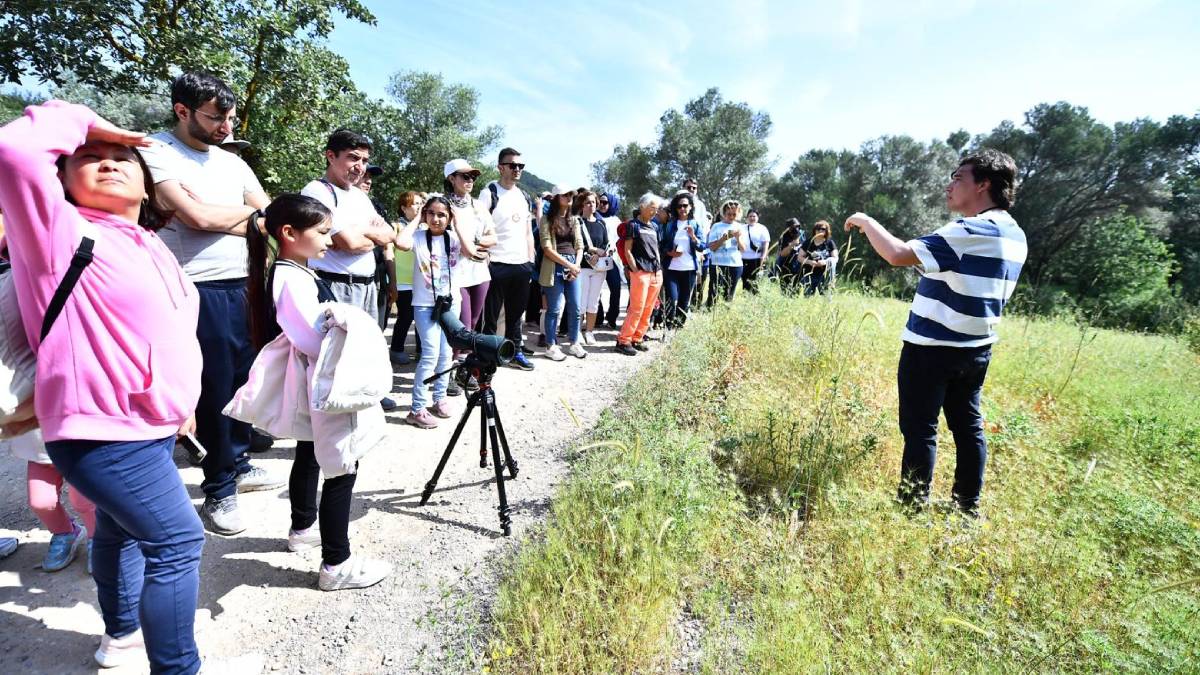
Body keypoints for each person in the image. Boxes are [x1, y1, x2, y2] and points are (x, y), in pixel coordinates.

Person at [1, 100, 206, 672]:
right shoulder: (60, 233)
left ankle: (121, 639)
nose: (108, 161)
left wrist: (180, 406)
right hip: (100, 431)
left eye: (122, 157)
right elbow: (14, 152)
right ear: (63, 179)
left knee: (120, 534)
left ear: (147, 185)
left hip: (149, 425)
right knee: (178, 543)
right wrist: (88, 122)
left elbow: (165, 334)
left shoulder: (146, 244)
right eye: (88, 157)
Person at [843, 149, 1026, 517]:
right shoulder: (1014, 232)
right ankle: (966, 508)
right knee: (968, 427)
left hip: (932, 348)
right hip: (976, 349)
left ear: (983, 184)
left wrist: (864, 220)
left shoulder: (970, 229)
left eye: (958, 178)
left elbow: (897, 255)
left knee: (920, 429)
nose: (950, 185)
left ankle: (911, 507)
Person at [138, 72, 282, 536]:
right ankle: (218, 489)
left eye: (232, 116)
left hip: (244, 282)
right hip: (195, 288)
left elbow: (273, 216)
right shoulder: (155, 151)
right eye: (217, 117)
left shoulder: (231, 163)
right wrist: (247, 217)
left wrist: (242, 218)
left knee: (244, 379)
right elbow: (195, 217)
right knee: (214, 387)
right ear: (182, 111)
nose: (227, 127)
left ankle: (237, 461)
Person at [244, 193, 392, 590]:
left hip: (315, 381)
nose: (330, 240)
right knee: (342, 466)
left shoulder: (294, 272)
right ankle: (336, 563)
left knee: (310, 454)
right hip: (323, 382)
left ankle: (303, 526)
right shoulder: (290, 277)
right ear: (289, 233)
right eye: (323, 232)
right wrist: (343, 319)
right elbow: (311, 339)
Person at [301, 129, 399, 412]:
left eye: (365, 160)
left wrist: (359, 234)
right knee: (335, 361)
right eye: (353, 158)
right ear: (331, 156)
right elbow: (350, 242)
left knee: (364, 353)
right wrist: (366, 234)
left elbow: (389, 234)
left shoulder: (359, 196)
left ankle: (360, 409)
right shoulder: (318, 192)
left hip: (367, 286)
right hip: (336, 286)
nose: (360, 167)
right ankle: (327, 426)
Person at [395, 195, 462, 429]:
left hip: (451, 303)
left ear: (450, 217)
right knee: (430, 355)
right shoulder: (418, 237)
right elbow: (400, 243)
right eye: (431, 213)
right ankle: (417, 408)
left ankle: (439, 398)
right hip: (424, 304)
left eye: (442, 214)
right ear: (425, 215)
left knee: (446, 354)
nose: (436, 219)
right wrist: (418, 218)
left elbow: (473, 250)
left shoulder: (454, 238)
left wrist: (457, 220)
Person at [479, 147, 538, 371]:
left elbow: (526, 231)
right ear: (500, 167)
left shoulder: (523, 196)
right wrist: (485, 259)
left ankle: (516, 352)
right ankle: (487, 358)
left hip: (521, 264)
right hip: (496, 263)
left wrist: (530, 260)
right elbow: (480, 229)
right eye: (512, 165)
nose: (517, 170)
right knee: (491, 317)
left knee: (516, 315)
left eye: (520, 166)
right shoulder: (489, 192)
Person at [5, 429, 96, 572]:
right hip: (40, 446)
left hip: (80, 442)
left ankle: (100, 538)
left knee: (84, 499)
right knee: (41, 502)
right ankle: (66, 532)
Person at [442, 159, 495, 346]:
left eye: (472, 176)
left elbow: (493, 238)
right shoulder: (442, 207)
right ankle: (451, 362)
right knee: (462, 325)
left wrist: (474, 243)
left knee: (473, 322)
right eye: (465, 176)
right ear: (451, 178)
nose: (470, 180)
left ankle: (464, 365)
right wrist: (472, 248)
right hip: (455, 273)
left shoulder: (479, 206)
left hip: (480, 271)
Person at [538, 187, 587, 360]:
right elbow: (547, 248)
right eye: (565, 195)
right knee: (554, 309)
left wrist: (576, 265)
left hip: (573, 265)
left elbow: (580, 245)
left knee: (575, 307)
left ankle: (574, 343)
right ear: (557, 198)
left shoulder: (574, 220)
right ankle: (551, 345)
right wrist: (569, 265)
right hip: (554, 266)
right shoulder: (547, 219)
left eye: (570, 195)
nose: (569, 197)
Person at [615, 193, 664, 355]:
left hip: (655, 271)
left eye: (657, 209)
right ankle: (623, 341)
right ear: (642, 207)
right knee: (636, 307)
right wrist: (634, 269)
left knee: (648, 308)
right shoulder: (633, 225)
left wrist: (659, 270)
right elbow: (627, 250)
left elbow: (656, 249)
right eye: (652, 208)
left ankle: (637, 337)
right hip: (641, 272)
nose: (655, 211)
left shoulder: (655, 226)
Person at [659, 192, 704, 328]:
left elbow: (702, 247)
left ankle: (679, 326)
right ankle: (668, 327)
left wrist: (693, 237)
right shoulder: (670, 225)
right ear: (675, 208)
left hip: (689, 268)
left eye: (685, 205)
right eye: (679, 206)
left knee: (684, 301)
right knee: (671, 299)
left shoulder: (695, 225)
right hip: (672, 268)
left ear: (690, 207)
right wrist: (670, 252)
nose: (682, 209)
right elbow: (662, 244)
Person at [358, 166, 395, 330]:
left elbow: (388, 243)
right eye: (363, 176)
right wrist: (375, 235)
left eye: (370, 177)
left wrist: (393, 281)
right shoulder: (337, 203)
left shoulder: (377, 207)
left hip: (379, 276)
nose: (368, 181)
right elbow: (347, 242)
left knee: (378, 328)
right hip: (350, 278)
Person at [574, 190, 613, 345]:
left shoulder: (600, 223)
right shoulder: (577, 222)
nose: (592, 206)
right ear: (582, 205)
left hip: (599, 268)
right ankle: (576, 332)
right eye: (588, 202)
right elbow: (576, 244)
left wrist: (602, 252)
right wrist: (594, 251)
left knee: (594, 301)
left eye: (594, 202)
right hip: (583, 267)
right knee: (581, 302)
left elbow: (605, 243)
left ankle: (589, 332)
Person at [389, 191, 422, 365]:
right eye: (415, 204)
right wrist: (392, 281)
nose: (419, 207)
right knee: (405, 316)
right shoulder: (397, 227)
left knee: (422, 317)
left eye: (420, 203)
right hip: (403, 282)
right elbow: (391, 254)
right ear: (404, 208)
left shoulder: (424, 228)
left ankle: (420, 350)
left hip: (421, 281)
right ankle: (396, 349)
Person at [706, 200, 748, 304]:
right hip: (717, 264)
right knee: (713, 292)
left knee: (729, 294)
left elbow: (743, 249)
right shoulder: (716, 226)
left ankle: (726, 312)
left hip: (735, 264)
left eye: (734, 214)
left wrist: (738, 238)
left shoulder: (740, 227)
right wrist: (723, 239)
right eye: (729, 214)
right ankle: (710, 311)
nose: (731, 216)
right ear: (724, 213)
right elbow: (712, 247)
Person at [595, 192, 624, 330]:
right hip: (597, 258)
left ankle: (612, 318)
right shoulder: (595, 218)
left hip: (612, 259)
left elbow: (620, 240)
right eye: (600, 201)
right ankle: (597, 317)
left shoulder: (616, 221)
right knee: (595, 289)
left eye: (605, 202)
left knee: (615, 288)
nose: (602, 205)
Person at [799, 220, 839, 296]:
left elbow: (835, 258)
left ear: (826, 231)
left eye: (823, 229)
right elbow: (799, 257)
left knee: (826, 297)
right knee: (808, 298)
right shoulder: (808, 242)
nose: (820, 231)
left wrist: (825, 262)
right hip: (809, 275)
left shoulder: (830, 243)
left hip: (824, 276)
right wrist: (810, 262)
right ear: (814, 230)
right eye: (818, 229)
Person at [742, 209, 770, 294]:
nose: (752, 218)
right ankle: (746, 297)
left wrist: (763, 257)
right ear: (747, 218)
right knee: (745, 281)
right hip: (743, 259)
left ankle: (755, 299)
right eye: (750, 216)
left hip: (756, 259)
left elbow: (766, 244)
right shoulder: (742, 228)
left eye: (754, 216)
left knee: (755, 281)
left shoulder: (762, 228)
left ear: (757, 218)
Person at [775, 217, 807, 294]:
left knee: (797, 290)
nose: (796, 228)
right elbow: (782, 254)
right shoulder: (784, 236)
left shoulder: (802, 234)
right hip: (785, 266)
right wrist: (792, 244)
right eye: (793, 227)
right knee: (785, 291)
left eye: (797, 226)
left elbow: (805, 248)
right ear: (788, 228)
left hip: (798, 265)